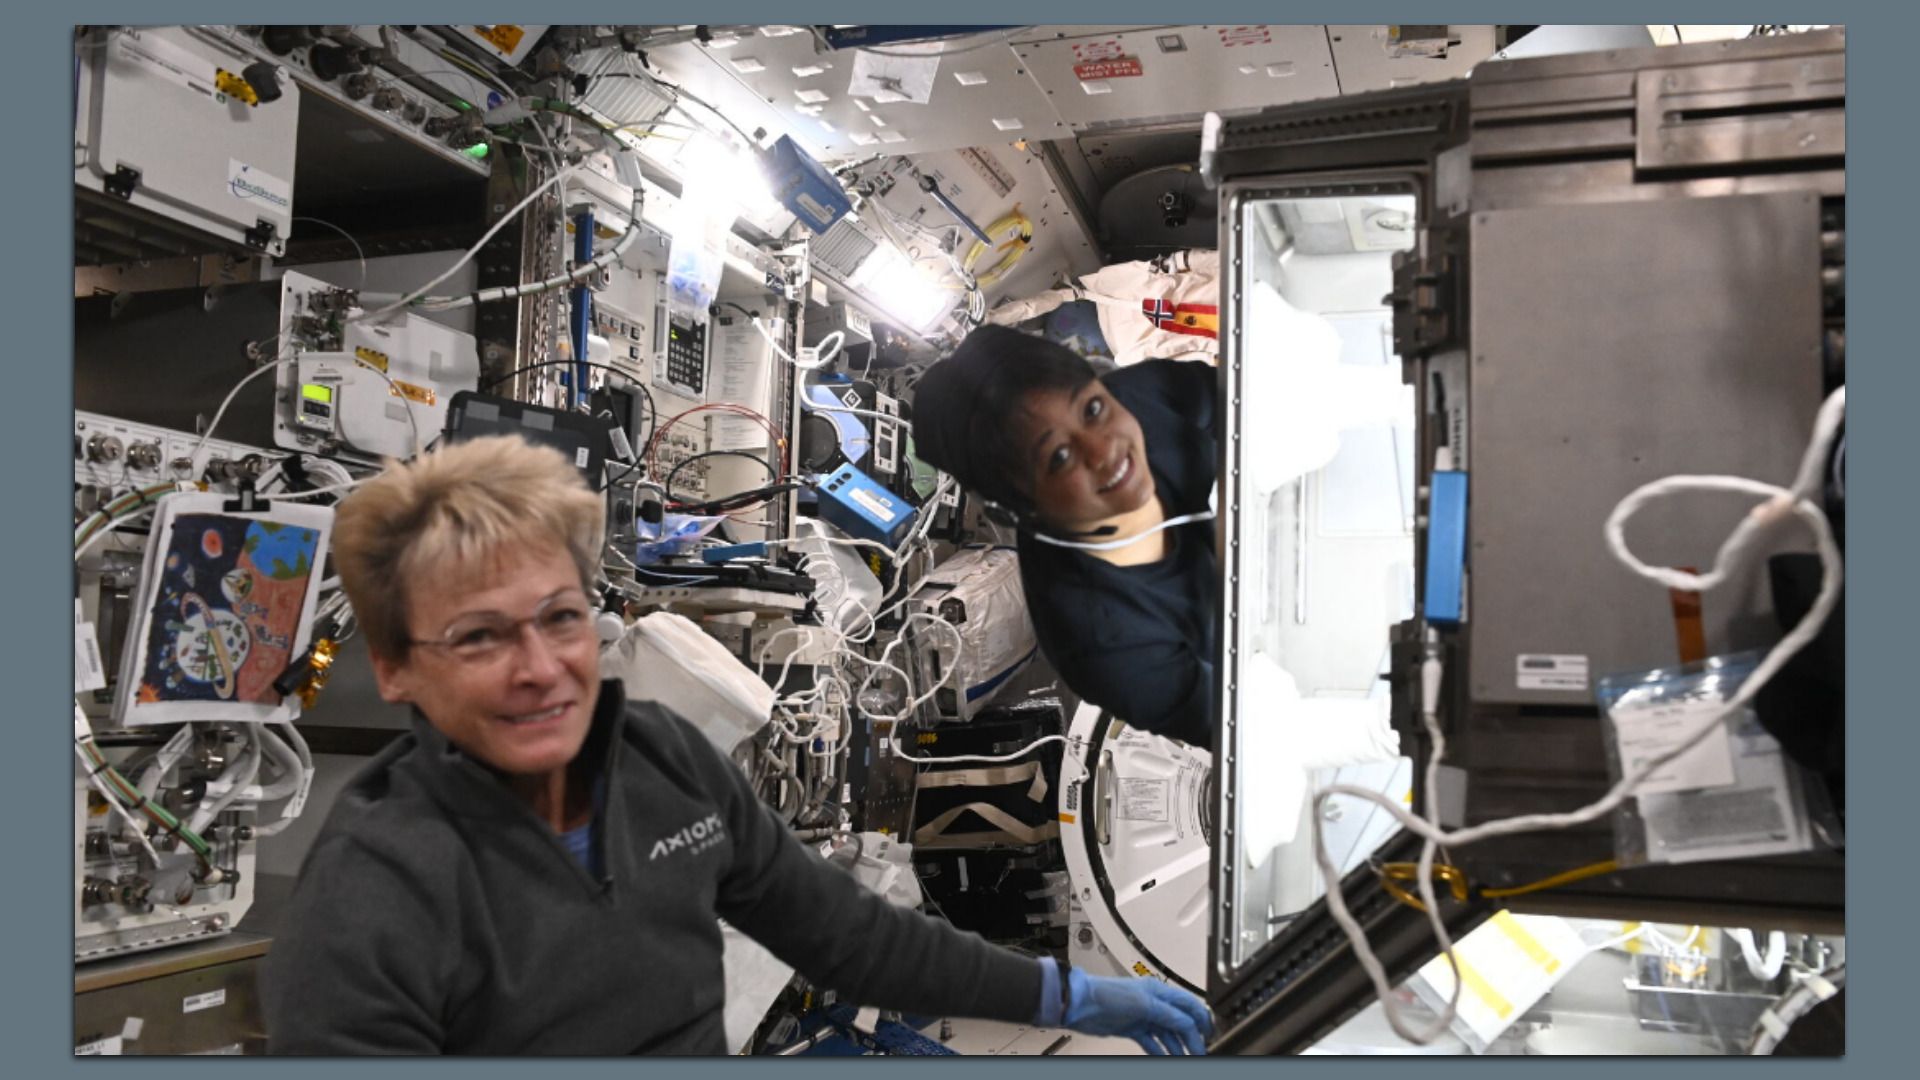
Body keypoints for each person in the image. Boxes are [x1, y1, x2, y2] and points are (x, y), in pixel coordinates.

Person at [259, 434, 1212, 1055]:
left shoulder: (655, 758)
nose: (538, 668)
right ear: (392, 667)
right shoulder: (370, 904)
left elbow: (844, 934)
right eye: (479, 636)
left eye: (559, 617)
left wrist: (1060, 996)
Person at [913, 326, 1217, 749]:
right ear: (1018, 508)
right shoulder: (1106, 646)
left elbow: (1266, 402)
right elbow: (1257, 727)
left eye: (1093, 409)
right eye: (1059, 457)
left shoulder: (1141, 396)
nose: (1103, 449)